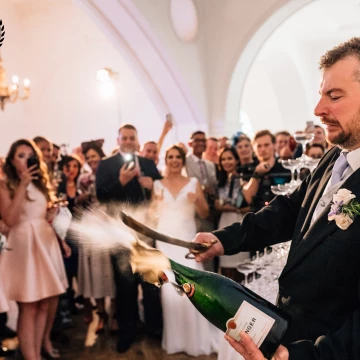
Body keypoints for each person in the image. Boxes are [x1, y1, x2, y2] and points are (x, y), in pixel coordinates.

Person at [192, 37, 360, 360]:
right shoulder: (333, 158)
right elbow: (289, 209)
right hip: (292, 332)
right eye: (320, 95)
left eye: (334, 96)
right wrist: (224, 240)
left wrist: (302, 357)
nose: (318, 110)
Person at [96, 123, 163, 353]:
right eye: (123, 138)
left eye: (131, 138)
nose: (127, 141)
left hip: (146, 233)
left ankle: (154, 328)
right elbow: (100, 194)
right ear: (118, 141)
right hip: (119, 234)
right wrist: (121, 182)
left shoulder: (147, 164)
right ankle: (128, 331)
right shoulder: (106, 165)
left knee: (151, 284)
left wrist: (153, 185)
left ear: (137, 141)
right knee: (125, 287)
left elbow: (161, 194)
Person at [0, 139, 69, 360]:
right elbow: (9, 219)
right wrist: (22, 184)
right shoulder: (5, 183)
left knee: (43, 303)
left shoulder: (40, 183)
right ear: (11, 160)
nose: (26, 159)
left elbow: (40, 213)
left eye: (30, 155)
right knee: (28, 305)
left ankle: (37, 350)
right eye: (21, 155)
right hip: (23, 245)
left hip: (44, 241)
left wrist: (51, 214)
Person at [152, 145, 218, 356]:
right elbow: (152, 217)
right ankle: (176, 341)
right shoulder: (157, 184)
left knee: (191, 289)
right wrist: (157, 206)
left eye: (177, 157)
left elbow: (205, 212)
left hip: (186, 242)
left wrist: (197, 200)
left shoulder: (193, 183)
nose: (174, 161)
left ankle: (196, 341)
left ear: (182, 160)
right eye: (170, 157)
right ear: (166, 160)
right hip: (164, 242)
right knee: (169, 292)